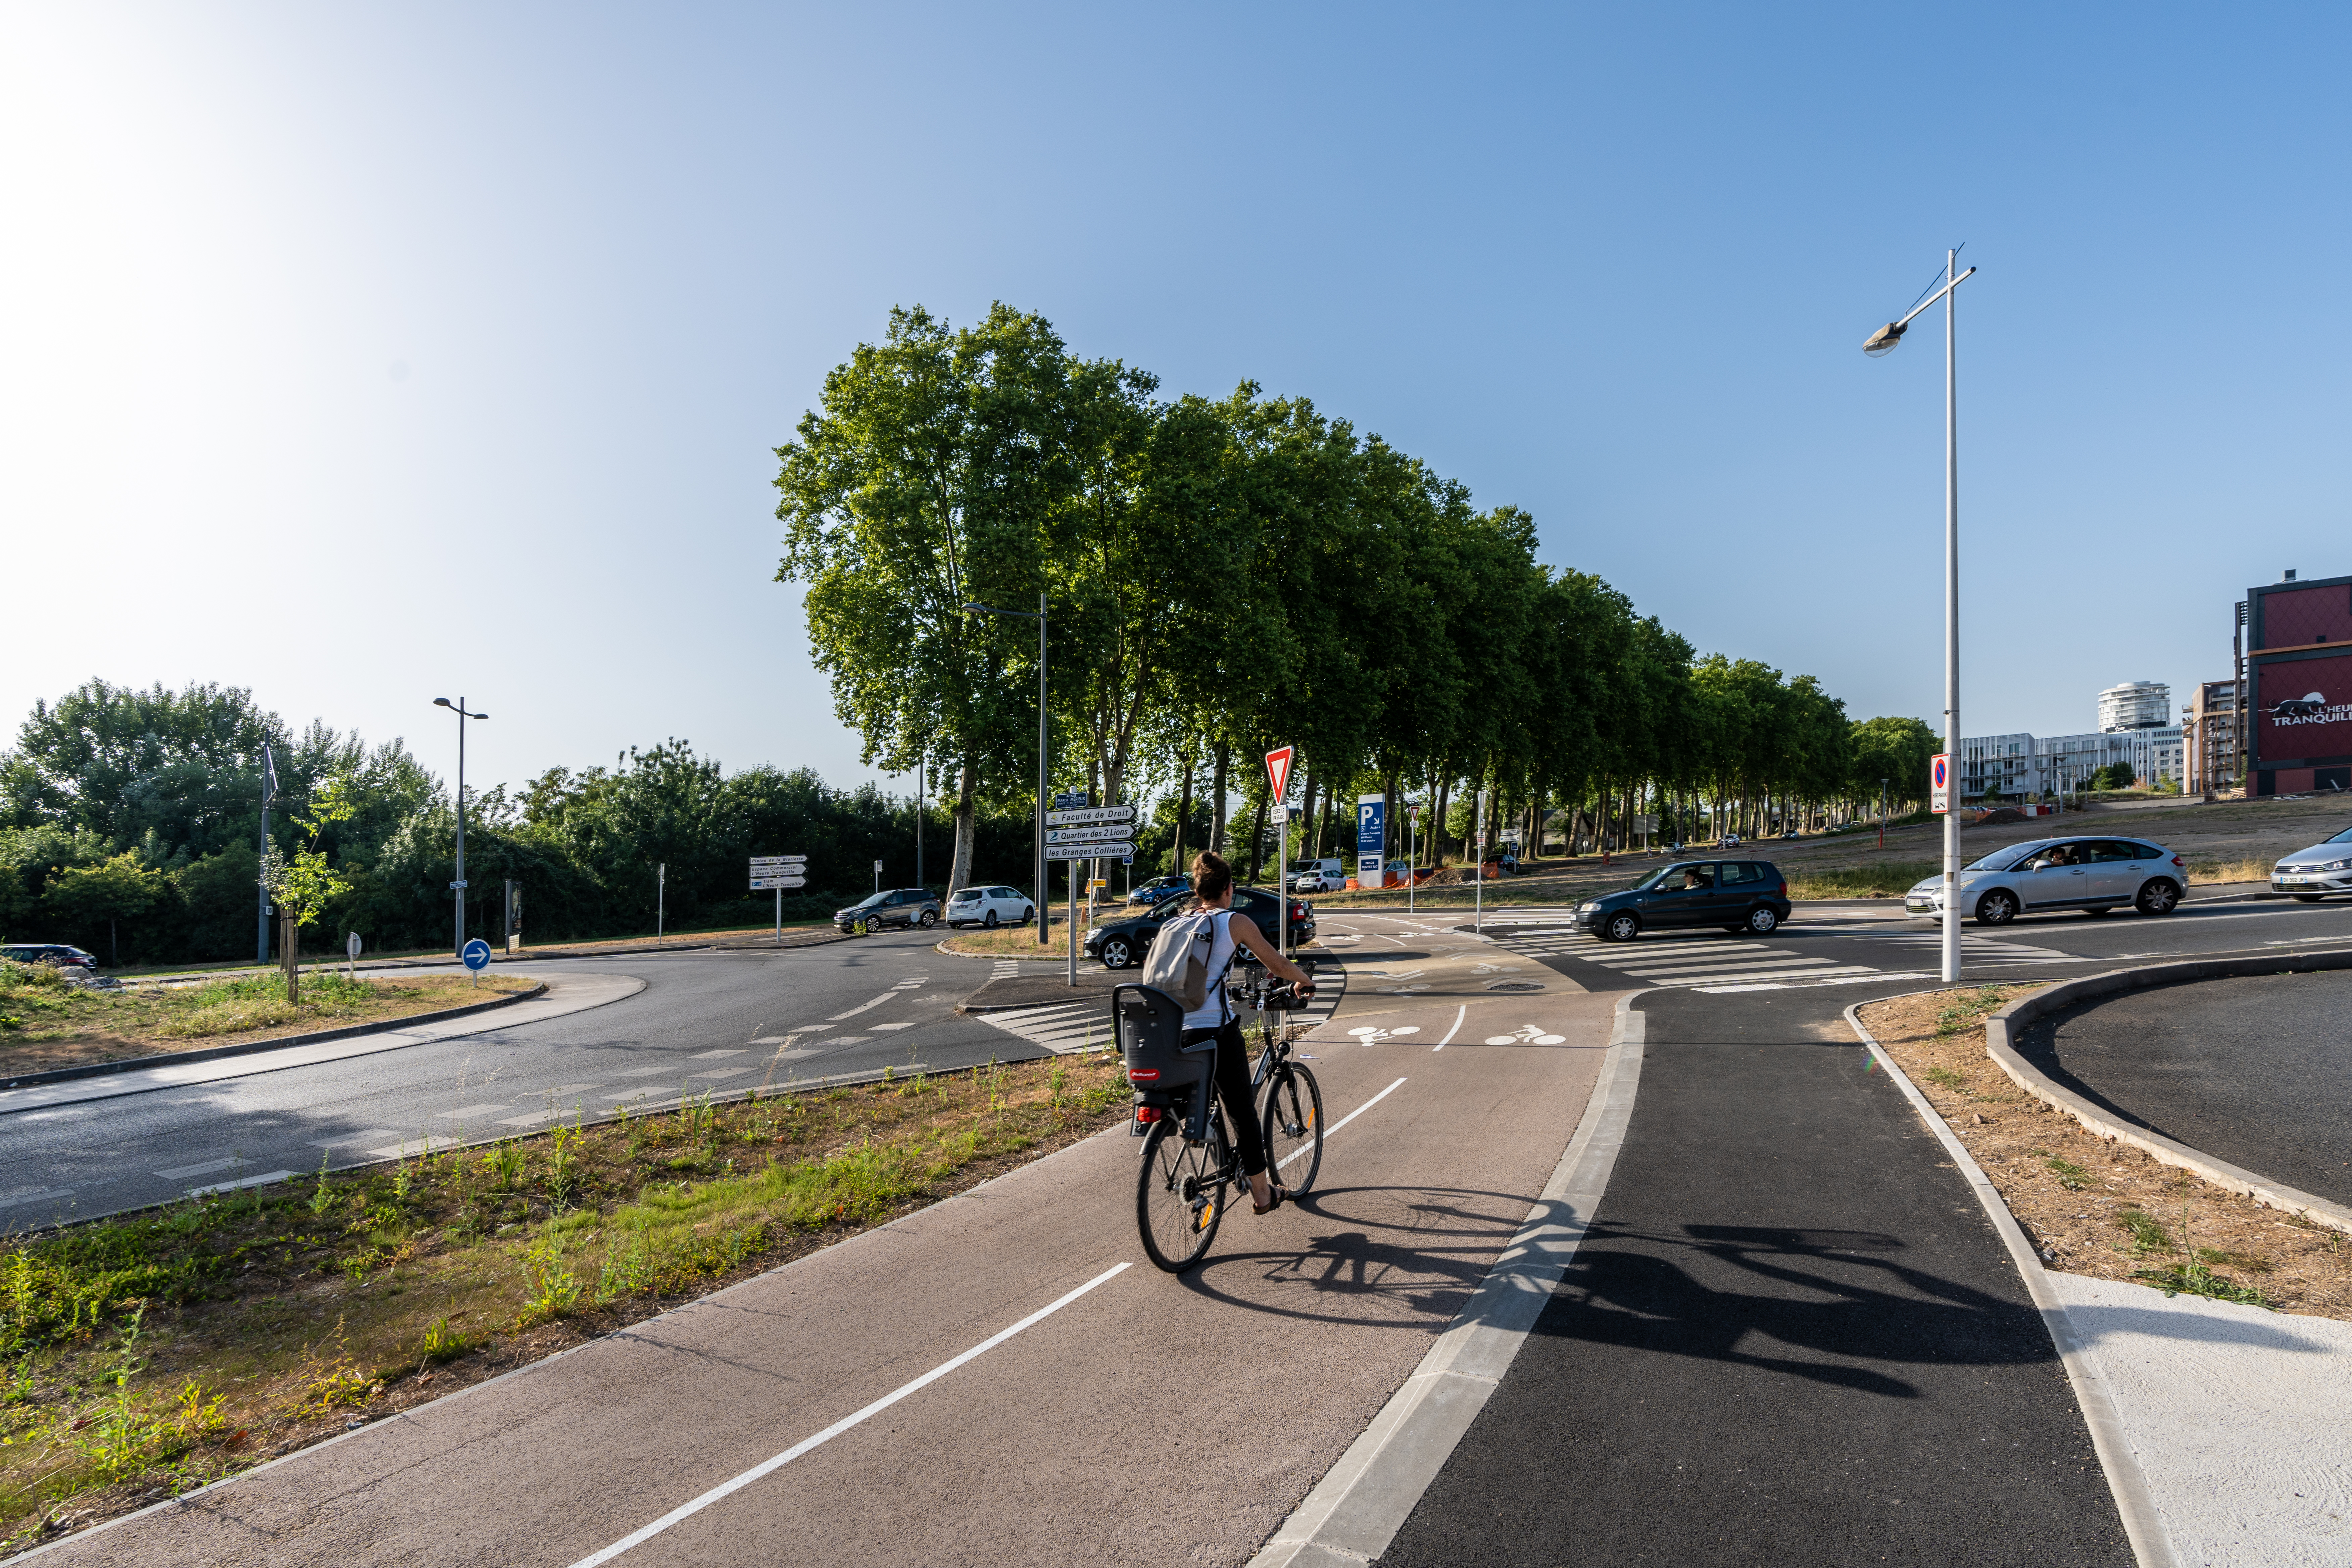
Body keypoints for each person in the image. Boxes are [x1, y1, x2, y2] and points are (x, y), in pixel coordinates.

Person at [1179, 850, 1316, 1215]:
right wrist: (1303, 980)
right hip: (1213, 1034)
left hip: (1172, 1033)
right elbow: (1278, 963)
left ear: (1198, 889)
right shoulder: (1233, 921)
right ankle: (1262, 1195)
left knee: (1206, 1101)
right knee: (1241, 1110)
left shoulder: (1180, 921)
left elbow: (1192, 977)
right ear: (1228, 889)